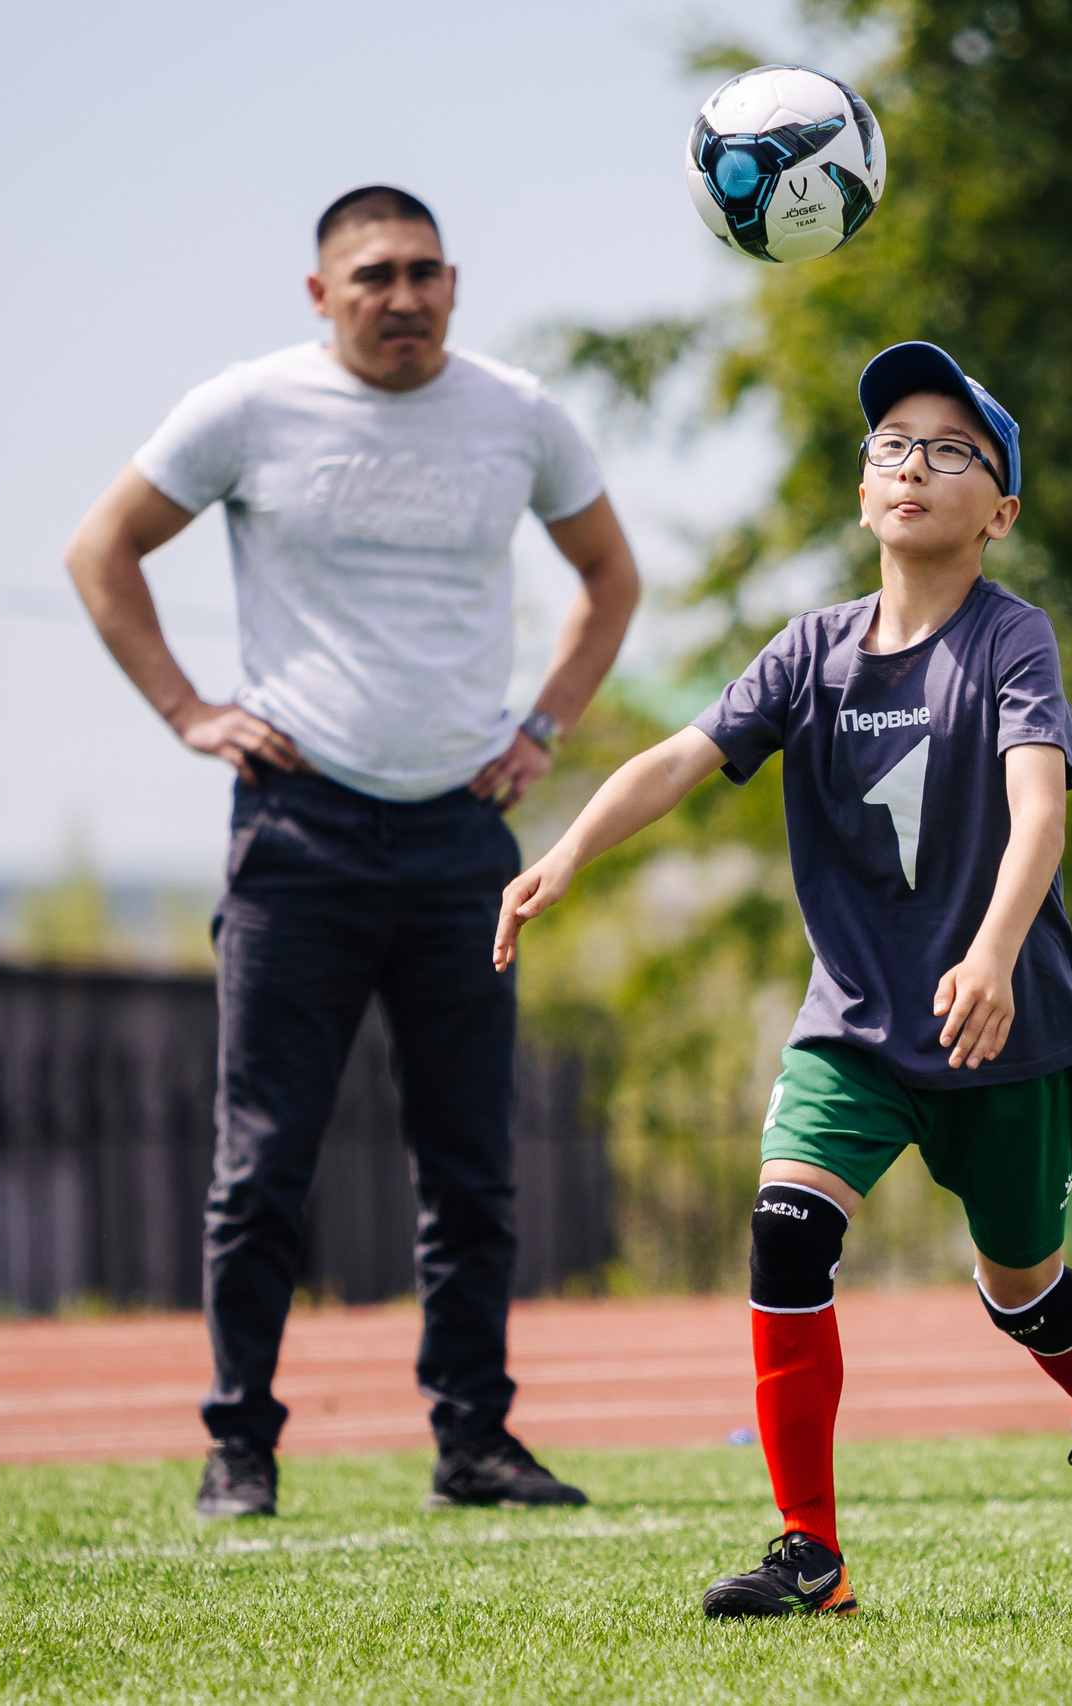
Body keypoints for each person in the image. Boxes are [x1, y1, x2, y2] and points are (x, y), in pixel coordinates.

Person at [494, 342, 1072, 1616]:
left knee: (1019, 1288)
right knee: (787, 1230)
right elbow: (684, 756)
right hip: (853, 1022)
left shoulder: (1013, 639)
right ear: (863, 494)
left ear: (1000, 509)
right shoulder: (809, 650)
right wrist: (568, 849)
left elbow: (1039, 817)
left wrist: (990, 951)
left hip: (999, 1028)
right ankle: (812, 1552)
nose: (914, 465)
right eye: (891, 447)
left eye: (952, 449)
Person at [65, 185, 641, 1517]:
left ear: (457, 283)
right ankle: (240, 1447)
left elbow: (611, 575)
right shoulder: (247, 408)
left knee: (474, 1167)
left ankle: (475, 1442)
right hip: (300, 832)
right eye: (373, 274)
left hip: (459, 834)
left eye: (426, 272)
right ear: (320, 294)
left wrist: (545, 723)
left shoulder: (519, 413)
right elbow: (102, 551)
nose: (404, 296)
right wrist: (188, 709)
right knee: (263, 1160)